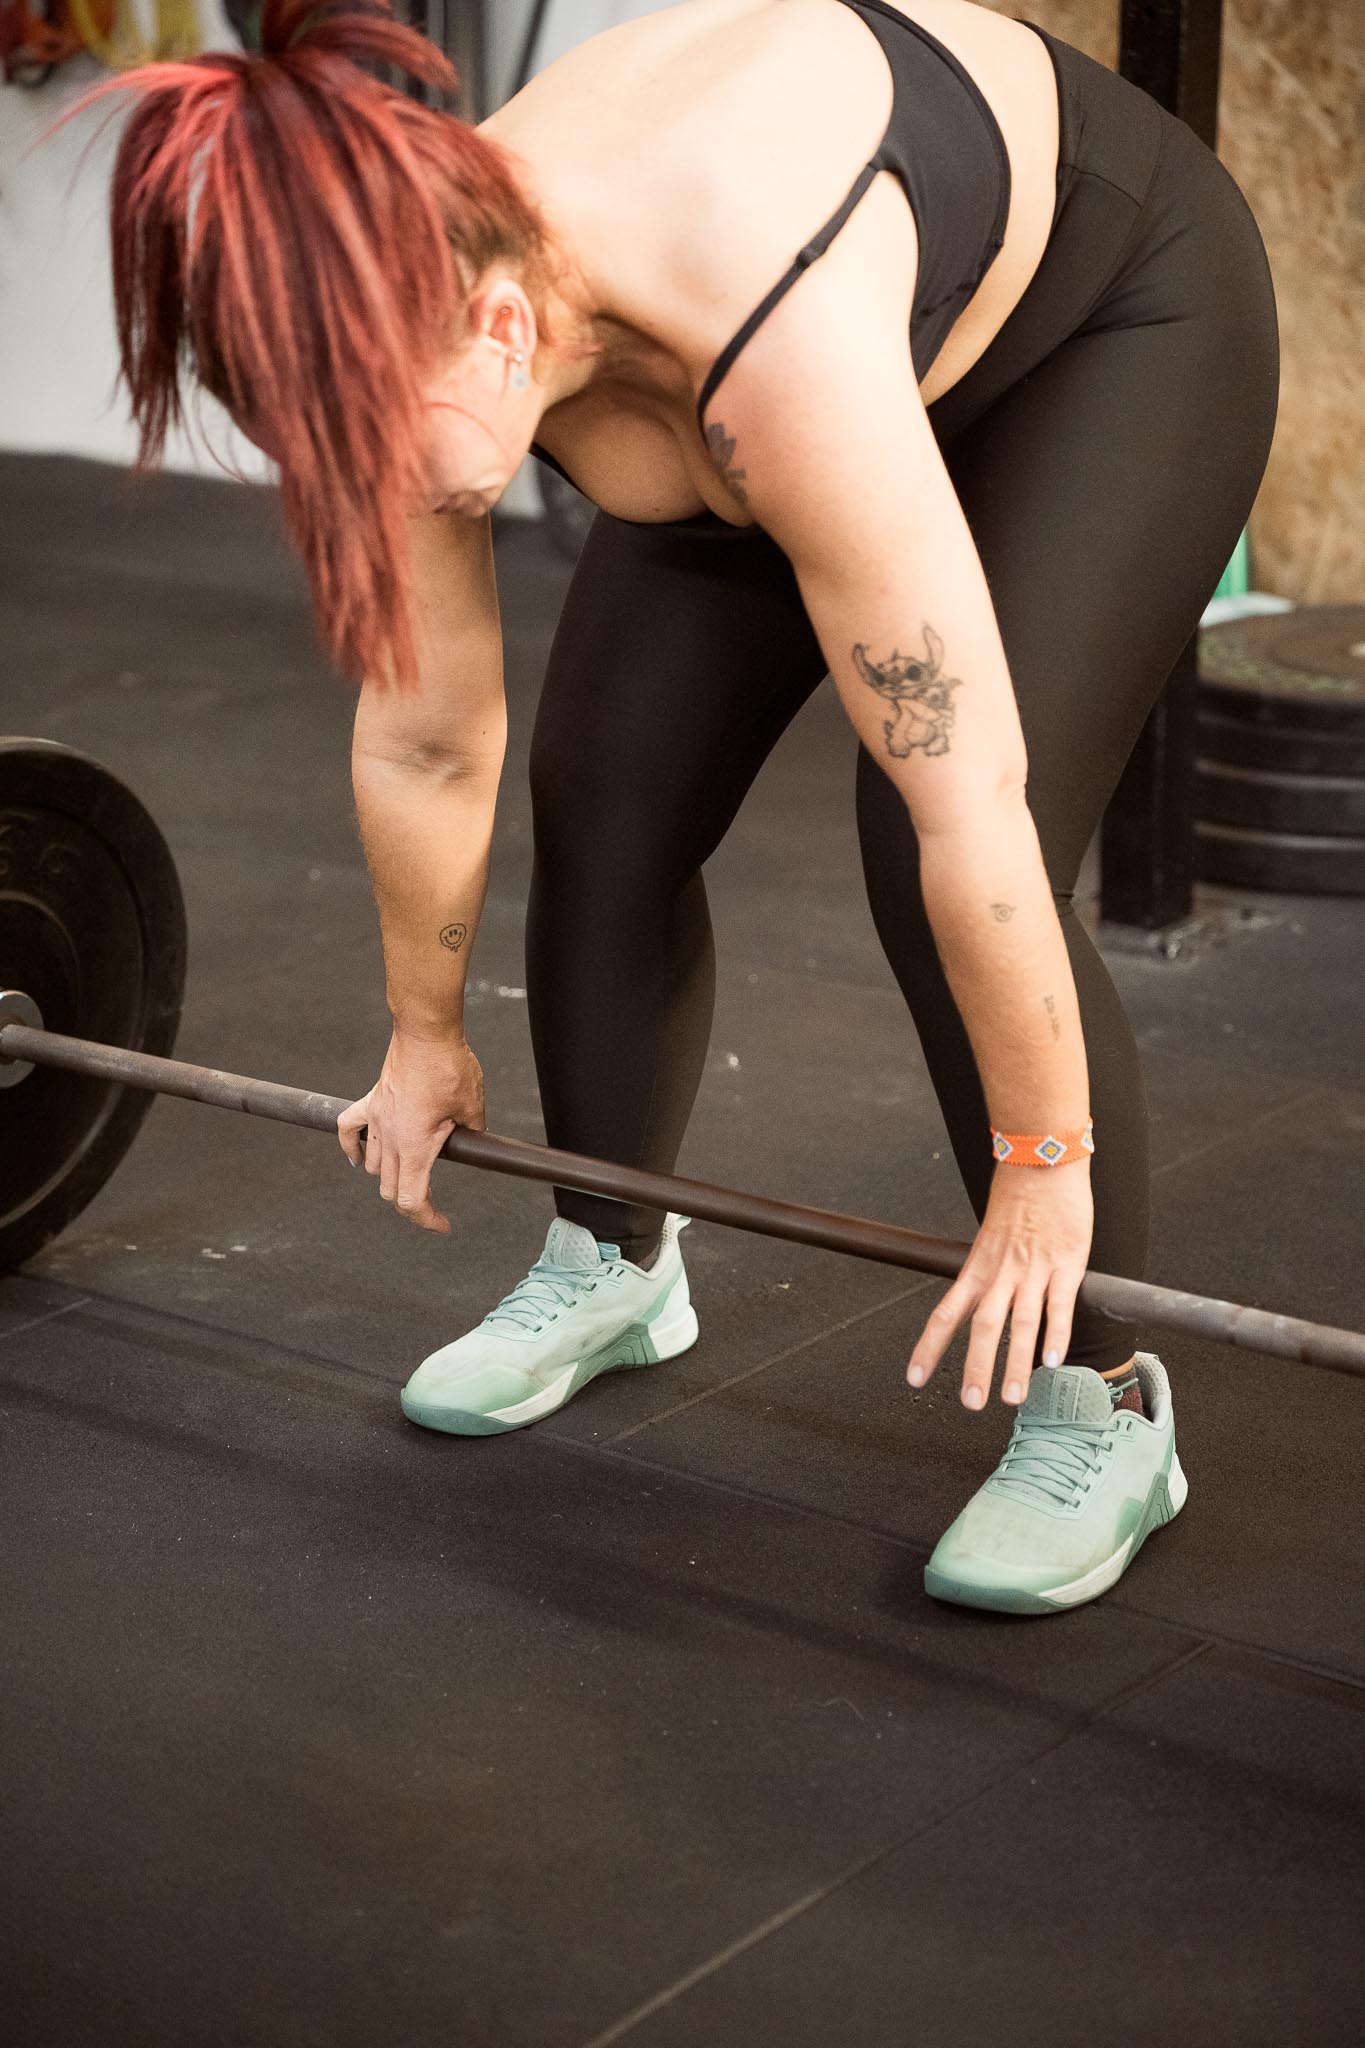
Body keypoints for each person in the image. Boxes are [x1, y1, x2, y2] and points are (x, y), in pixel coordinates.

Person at [87, 0, 1278, 1613]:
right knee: (607, 792)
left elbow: (970, 807)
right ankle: (613, 1256)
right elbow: (431, 737)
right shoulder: (403, 307)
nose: (367, 494)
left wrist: (1040, 1162)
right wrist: (422, 1032)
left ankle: (1108, 1398)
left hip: (1101, 324)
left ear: (500, 328)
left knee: (914, 842)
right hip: (734, 341)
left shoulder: (766, 343)